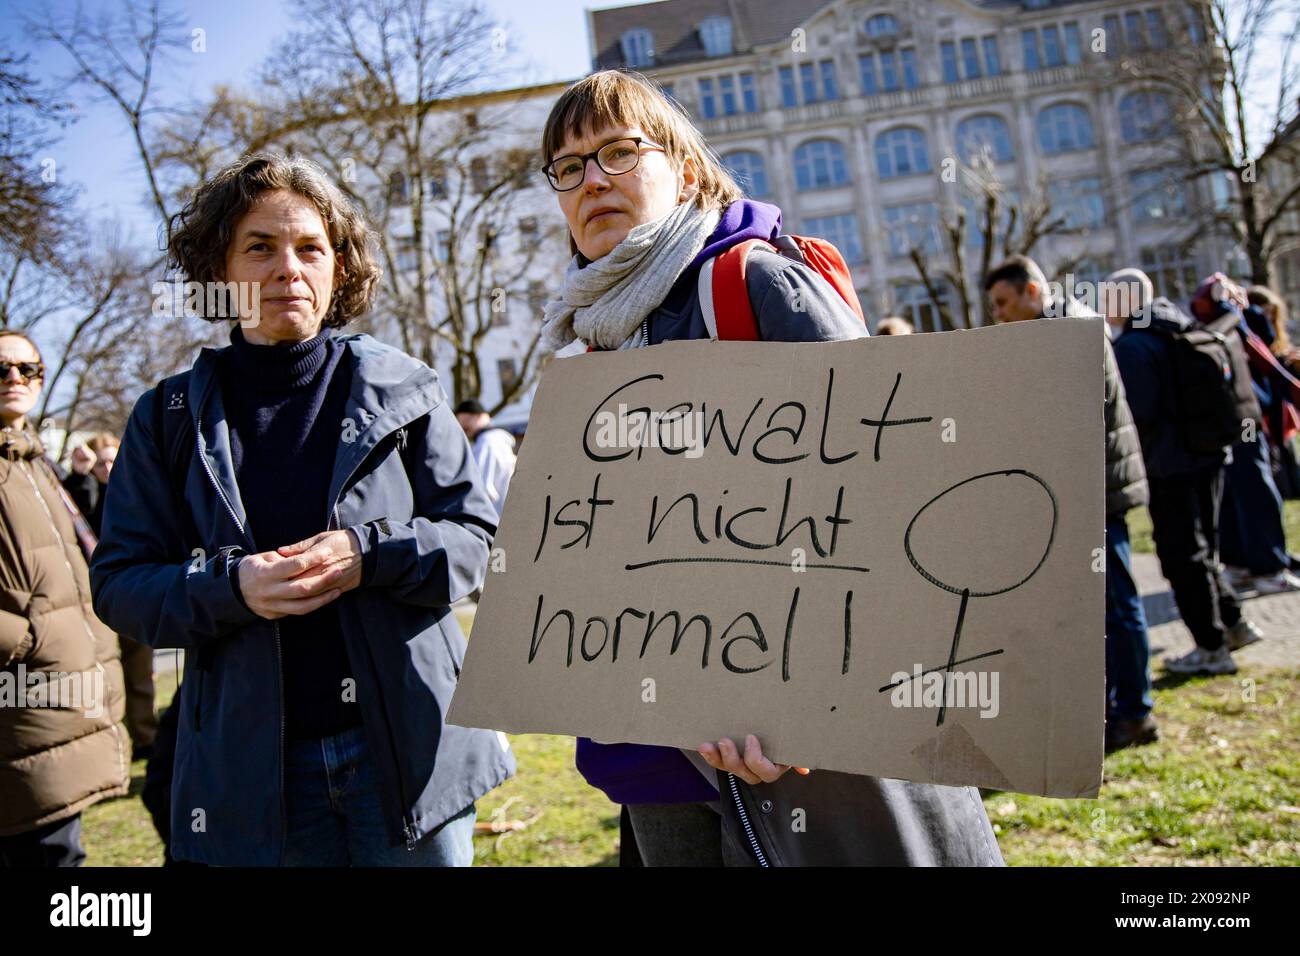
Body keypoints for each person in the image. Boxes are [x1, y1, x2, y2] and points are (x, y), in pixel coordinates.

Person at [537, 69, 1003, 866]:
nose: (593, 182)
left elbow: (890, 495)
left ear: (687, 172)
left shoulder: (754, 283)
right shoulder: (585, 341)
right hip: (651, 745)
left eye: (619, 152)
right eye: (569, 167)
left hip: (795, 744)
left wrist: (803, 702)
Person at [89, 154, 514, 867]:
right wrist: (232, 589)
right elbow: (120, 584)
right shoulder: (165, 418)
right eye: (260, 247)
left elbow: (479, 541)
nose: (288, 268)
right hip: (256, 775)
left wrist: (369, 554)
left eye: (310, 248)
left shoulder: (405, 389)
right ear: (219, 270)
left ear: (339, 269)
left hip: (409, 756)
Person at [984, 258, 1157, 752]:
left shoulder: (1070, 329)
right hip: (1078, 489)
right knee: (1092, 608)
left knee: (1116, 605)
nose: (998, 315)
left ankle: (1136, 712)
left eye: (1003, 303)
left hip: (1094, 492)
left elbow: (1065, 413)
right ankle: (1109, 707)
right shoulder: (1053, 329)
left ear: (1031, 290)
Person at [0, 330, 128, 866]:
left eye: (28, 369)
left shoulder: (32, 463)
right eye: (1, 369)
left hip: (63, 706)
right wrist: (27, 638)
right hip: (20, 707)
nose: (15, 378)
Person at [1110, 271, 1263, 676]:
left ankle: (1211, 648)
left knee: (1180, 556)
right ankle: (1233, 624)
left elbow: (1138, 413)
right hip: (1208, 454)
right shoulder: (1178, 325)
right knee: (1204, 549)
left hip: (1168, 465)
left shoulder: (1133, 345)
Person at [63, 432, 158, 759]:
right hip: (95, 599)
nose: (107, 468)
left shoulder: (137, 487)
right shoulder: (84, 492)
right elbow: (82, 514)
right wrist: (81, 476)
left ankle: (146, 738)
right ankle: (113, 742)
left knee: (140, 671)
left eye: (112, 461)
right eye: (100, 463)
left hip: (135, 593)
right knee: (104, 675)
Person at [1203, 279, 1300, 593]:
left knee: (1238, 490)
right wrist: (1236, 308)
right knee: (1255, 490)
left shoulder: (1217, 325)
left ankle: (1242, 563)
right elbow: (1263, 340)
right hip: (1244, 419)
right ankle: (1267, 567)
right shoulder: (1232, 322)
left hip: (1235, 418)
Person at [454, 398, 517, 521]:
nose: (464, 427)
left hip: (499, 516)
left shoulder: (486, 443)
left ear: (478, 416)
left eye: (466, 421)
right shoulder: (498, 440)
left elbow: (481, 487)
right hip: (509, 510)